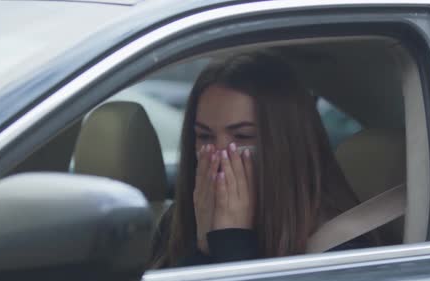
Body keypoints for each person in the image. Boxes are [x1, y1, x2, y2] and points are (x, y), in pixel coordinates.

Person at [150, 52, 374, 269]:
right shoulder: (177, 222)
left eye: (243, 136)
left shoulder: (342, 249)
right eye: (205, 136)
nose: (219, 155)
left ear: (286, 143)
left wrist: (231, 242)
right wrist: (203, 246)